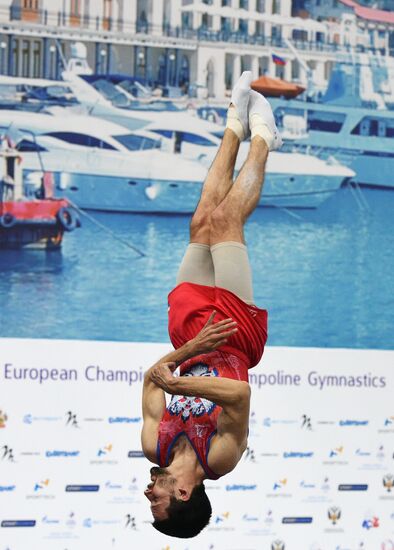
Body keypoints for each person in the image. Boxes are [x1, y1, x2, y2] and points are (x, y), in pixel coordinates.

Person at [141, 71, 282, 538]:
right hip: (235, 338)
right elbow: (240, 396)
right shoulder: (218, 461)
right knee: (226, 221)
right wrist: (177, 377)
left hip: (191, 338)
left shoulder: (152, 447)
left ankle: (234, 125)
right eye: (156, 505)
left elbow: (152, 379)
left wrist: (183, 354)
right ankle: (263, 138)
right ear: (183, 495)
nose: (148, 496)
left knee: (202, 220)